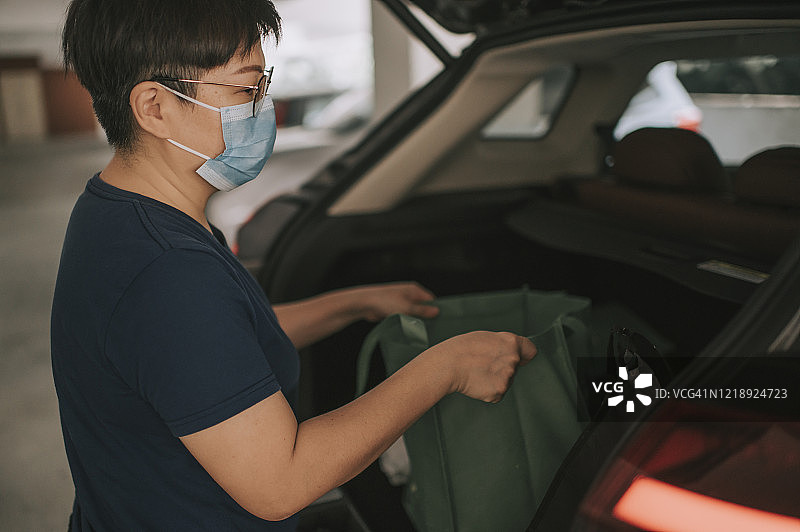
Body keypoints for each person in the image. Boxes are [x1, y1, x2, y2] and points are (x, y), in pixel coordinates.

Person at [50, 1, 537, 530]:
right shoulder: (170, 273)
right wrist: (445, 367)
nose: (263, 108)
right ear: (155, 107)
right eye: (243, 90)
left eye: (262, 84)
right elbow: (281, 482)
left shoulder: (120, 213)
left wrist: (349, 304)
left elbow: (213, 353)